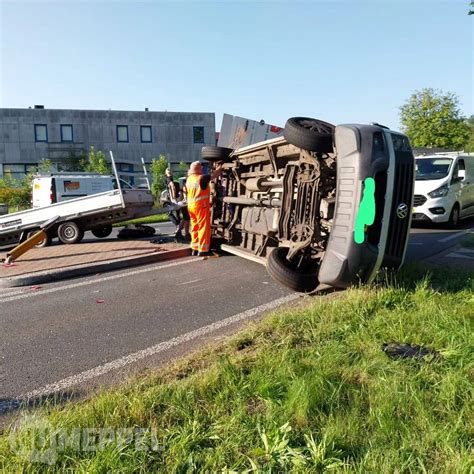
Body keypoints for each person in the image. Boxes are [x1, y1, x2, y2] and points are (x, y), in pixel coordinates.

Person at [185, 161, 222, 256]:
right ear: (198, 169)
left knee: (195, 227)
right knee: (203, 228)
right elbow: (214, 175)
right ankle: (203, 250)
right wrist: (220, 168)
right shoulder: (202, 178)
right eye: (201, 168)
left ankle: (195, 248)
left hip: (191, 207)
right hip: (200, 206)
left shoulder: (189, 179)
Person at [165, 168, 190, 241]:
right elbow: (174, 188)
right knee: (187, 218)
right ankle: (186, 234)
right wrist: (174, 199)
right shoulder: (171, 180)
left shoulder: (170, 180)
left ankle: (179, 232)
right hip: (182, 202)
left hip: (181, 201)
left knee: (185, 218)